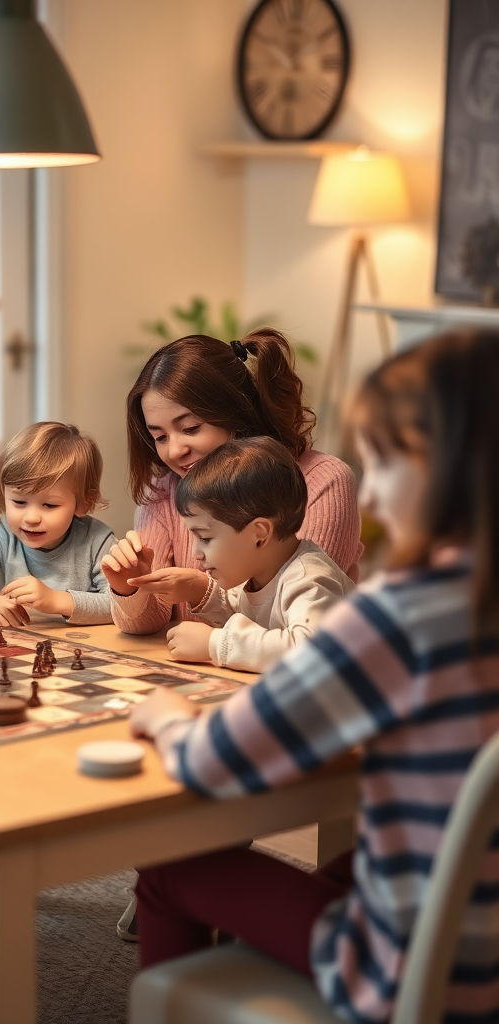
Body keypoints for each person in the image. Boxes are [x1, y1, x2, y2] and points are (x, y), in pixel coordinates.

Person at [128, 330, 499, 1022]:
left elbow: (221, 762)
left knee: (167, 867)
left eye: (388, 463)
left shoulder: (405, 616)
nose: (375, 494)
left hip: (413, 971)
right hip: (476, 925)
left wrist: (170, 720)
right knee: (339, 870)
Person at [101, 331, 362, 636]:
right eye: (159, 437)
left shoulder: (323, 481)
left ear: (236, 414)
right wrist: (130, 587)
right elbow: (145, 626)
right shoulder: (164, 487)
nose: (174, 451)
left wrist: (207, 618)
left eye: (190, 428)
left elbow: (292, 630)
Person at [138, 436, 354, 673]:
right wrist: (198, 590)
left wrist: (216, 644)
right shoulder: (260, 571)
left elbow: (314, 655)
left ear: (259, 534)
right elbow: (244, 610)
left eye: (205, 538)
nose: (196, 553)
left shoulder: (309, 579)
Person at [0, 421, 115, 627]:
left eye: (49, 505)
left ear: (84, 503)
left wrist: (56, 600)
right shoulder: (0, 533)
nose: (31, 518)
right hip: (18, 649)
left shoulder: (98, 541)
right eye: (19, 502)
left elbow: (120, 606)